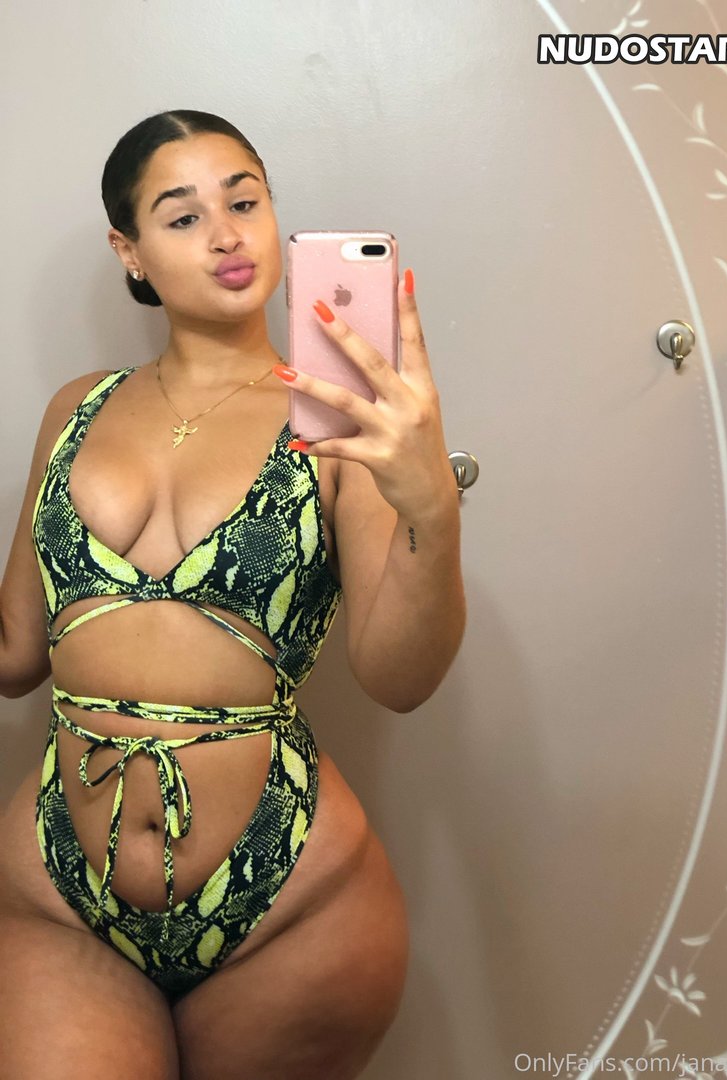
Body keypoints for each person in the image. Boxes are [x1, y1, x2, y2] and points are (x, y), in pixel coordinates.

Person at [0, 109, 465, 1079]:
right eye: (183, 216)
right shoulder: (74, 409)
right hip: (58, 895)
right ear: (130, 252)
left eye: (244, 202)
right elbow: (15, 657)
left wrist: (430, 507)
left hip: (289, 904)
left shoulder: (338, 419)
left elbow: (400, 678)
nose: (225, 234)